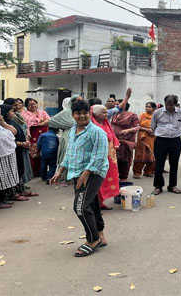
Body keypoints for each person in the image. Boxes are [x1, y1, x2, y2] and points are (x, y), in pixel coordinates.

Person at [50, 100, 109, 257]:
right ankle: (100, 235)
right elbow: (70, 153)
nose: (82, 116)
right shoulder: (72, 130)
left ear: (89, 114)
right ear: (73, 115)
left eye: (85, 113)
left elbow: (100, 156)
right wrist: (60, 170)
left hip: (93, 173)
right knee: (92, 204)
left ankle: (92, 239)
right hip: (77, 173)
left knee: (80, 207)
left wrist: (86, 173)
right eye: (78, 113)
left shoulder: (97, 132)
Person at [1, 104, 38, 198]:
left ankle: (21, 190)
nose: (13, 113)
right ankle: (14, 193)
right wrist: (21, 143)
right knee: (14, 171)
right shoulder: (4, 124)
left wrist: (25, 141)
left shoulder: (12, 121)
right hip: (12, 150)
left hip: (20, 149)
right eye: (11, 111)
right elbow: (7, 140)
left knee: (20, 170)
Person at [151, 95, 181, 195]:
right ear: (165, 103)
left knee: (174, 164)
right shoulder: (157, 112)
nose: (169, 107)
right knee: (159, 164)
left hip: (175, 140)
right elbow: (153, 126)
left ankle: (172, 186)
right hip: (161, 140)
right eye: (167, 104)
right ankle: (158, 186)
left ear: (175, 104)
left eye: (171, 105)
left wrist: (175, 132)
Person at [90, 105, 120, 210]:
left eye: (106, 112)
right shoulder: (92, 126)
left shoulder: (106, 124)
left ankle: (101, 202)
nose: (106, 115)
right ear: (95, 114)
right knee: (97, 180)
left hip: (110, 158)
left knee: (106, 179)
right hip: (99, 158)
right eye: (103, 113)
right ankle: (96, 204)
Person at [111, 92, 139, 197]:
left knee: (124, 162)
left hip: (125, 143)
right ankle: (114, 185)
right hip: (114, 142)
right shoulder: (114, 115)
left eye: (118, 104)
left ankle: (123, 183)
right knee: (114, 163)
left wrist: (128, 130)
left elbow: (137, 127)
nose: (115, 106)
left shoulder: (132, 115)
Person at [49, 96, 81, 185]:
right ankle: (65, 177)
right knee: (66, 154)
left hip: (80, 135)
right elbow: (52, 121)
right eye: (77, 101)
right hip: (68, 136)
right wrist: (66, 125)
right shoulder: (66, 112)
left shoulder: (82, 112)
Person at [22, 98, 50, 177]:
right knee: (34, 153)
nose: (33, 106)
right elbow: (30, 122)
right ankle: (34, 172)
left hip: (43, 135)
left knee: (43, 152)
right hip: (33, 135)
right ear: (27, 106)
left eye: (34, 104)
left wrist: (41, 123)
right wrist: (41, 121)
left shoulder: (42, 112)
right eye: (30, 104)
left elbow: (49, 120)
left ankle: (42, 172)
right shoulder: (24, 114)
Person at [132, 102, 157, 178]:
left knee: (150, 154)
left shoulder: (156, 116)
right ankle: (137, 172)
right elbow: (138, 126)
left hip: (152, 138)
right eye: (146, 106)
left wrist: (154, 131)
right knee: (140, 154)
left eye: (149, 107)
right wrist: (146, 129)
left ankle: (148, 171)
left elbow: (159, 126)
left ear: (154, 108)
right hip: (142, 137)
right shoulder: (142, 115)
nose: (147, 108)